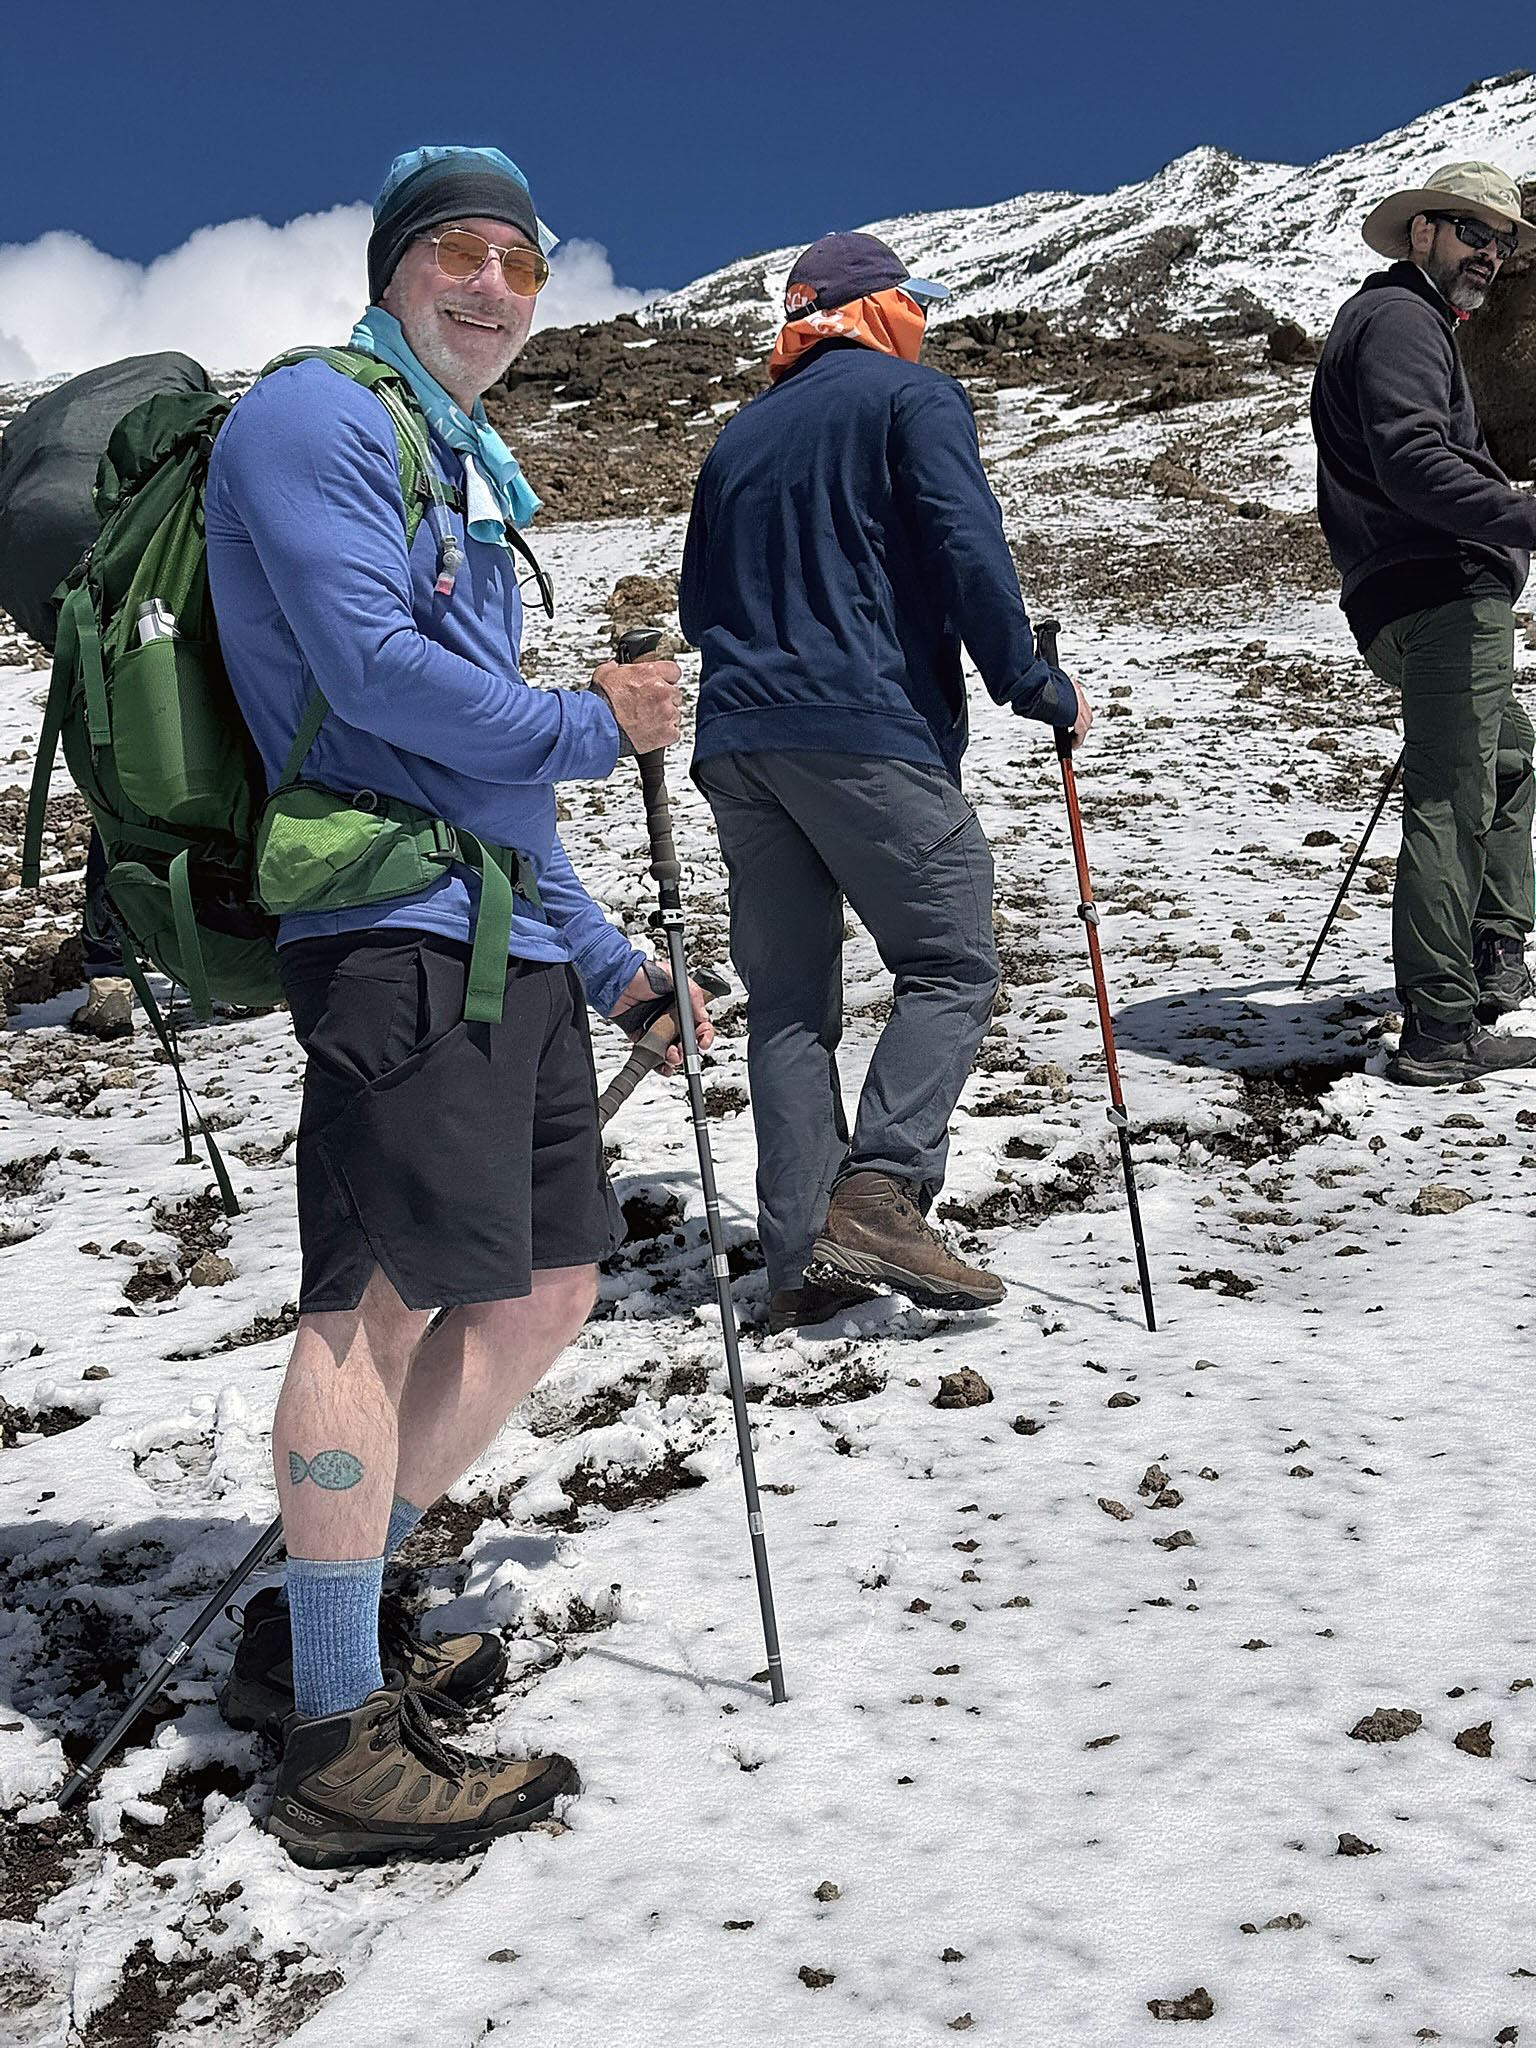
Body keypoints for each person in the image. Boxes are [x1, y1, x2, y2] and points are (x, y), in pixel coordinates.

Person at [204, 144, 708, 1867]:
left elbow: (491, 788)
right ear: (395, 268)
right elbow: (370, 676)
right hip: (386, 940)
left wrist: (612, 961)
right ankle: (338, 1740)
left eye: (524, 263)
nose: (495, 286)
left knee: (547, 1286)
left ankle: (332, 1615)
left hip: (496, 939)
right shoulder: (313, 419)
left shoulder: (460, 462)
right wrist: (588, 723)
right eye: (461, 252)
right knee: (371, 1307)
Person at [680, 231, 1090, 1333]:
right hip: (863, 727)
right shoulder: (913, 398)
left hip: (739, 742)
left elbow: (697, 609)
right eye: (916, 305)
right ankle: (881, 1191)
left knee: (789, 1005)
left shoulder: (737, 437)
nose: (925, 322)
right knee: (952, 957)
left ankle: (800, 1260)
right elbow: (966, 546)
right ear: (875, 310)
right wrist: (1032, 681)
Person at [1311, 160, 1536, 1084]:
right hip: (1444, 594)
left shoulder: (1397, 319)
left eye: (1503, 242)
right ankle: (1441, 1028)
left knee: (1508, 758)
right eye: (1472, 232)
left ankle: (1495, 946)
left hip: (1405, 597)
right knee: (1453, 795)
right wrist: (1524, 518)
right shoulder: (1402, 318)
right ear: (1422, 232)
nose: (1490, 253)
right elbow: (1411, 459)